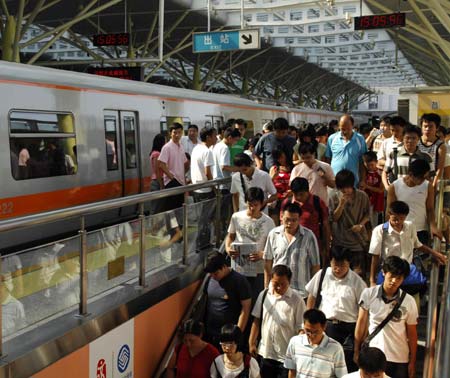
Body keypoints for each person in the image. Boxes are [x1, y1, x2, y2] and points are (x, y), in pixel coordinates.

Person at [354, 256, 418, 378]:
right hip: (373, 356)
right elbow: (361, 322)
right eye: (391, 276)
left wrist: (412, 362)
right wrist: (356, 350)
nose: (394, 280)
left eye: (399, 278)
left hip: (398, 358)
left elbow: (412, 334)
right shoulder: (368, 294)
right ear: (384, 273)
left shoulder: (409, 301)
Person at [306, 246, 367, 372]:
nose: (338, 269)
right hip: (327, 326)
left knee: (346, 365)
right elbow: (312, 296)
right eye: (335, 265)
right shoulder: (323, 274)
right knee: (325, 365)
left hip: (349, 329)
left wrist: (358, 343)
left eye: (342, 265)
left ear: (349, 264)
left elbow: (363, 311)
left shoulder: (357, 282)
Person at [369, 200, 447, 287]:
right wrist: (372, 280)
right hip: (389, 270)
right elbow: (375, 256)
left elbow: (418, 244)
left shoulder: (410, 227)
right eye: (395, 219)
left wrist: (436, 254)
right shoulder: (379, 231)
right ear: (389, 214)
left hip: (407, 269)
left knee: (421, 285)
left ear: (406, 217)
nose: (398, 222)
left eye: (401, 219)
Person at [249, 265, 305, 378]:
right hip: (266, 353)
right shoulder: (264, 295)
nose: (279, 287)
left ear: (289, 281)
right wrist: (251, 342)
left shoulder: (297, 300)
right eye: (275, 284)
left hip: (286, 356)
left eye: (282, 284)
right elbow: (257, 320)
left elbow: (301, 329)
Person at [226, 187, 275, 302]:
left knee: (255, 300)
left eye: (256, 205)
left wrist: (262, 254)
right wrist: (228, 248)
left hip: (258, 269)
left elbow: (272, 247)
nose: (252, 208)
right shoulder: (236, 217)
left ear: (262, 204)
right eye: (249, 204)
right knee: (237, 300)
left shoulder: (269, 222)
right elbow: (230, 236)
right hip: (239, 268)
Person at [264, 202, 320, 297]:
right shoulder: (273, 234)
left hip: (300, 293)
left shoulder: (309, 236)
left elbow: (315, 266)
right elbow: (268, 262)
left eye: (294, 220)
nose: (290, 223)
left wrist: (313, 293)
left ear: (299, 219)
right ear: (281, 216)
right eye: (287, 220)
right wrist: (266, 288)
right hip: (276, 291)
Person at [203, 253, 252, 349]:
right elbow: (205, 301)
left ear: (224, 267)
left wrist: (237, 334)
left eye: (216, 273)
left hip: (229, 336)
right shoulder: (210, 280)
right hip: (211, 333)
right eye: (211, 274)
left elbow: (245, 309)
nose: (213, 276)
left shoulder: (239, 281)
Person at [386, 159, 440, 246]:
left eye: (425, 178)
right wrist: (389, 230)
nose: (423, 181)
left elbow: (430, 209)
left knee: (421, 258)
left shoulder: (428, 186)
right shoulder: (394, 186)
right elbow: (389, 211)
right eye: (421, 178)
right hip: (401, 230)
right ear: (411, 174)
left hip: (421, 231)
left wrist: (433, 226)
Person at [329, 169, 371, 277]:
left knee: (358, 273)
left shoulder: (362, 196)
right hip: (340, 242)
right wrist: (341, 204)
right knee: (340, 274)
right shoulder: (334, 197)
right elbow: (334, 218)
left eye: (347, 187)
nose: (345, 190)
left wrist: (361, 225)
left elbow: (368, 215)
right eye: (342, 188)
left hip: (357, 242)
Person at [280, 177, 331, 266]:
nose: (299, 197)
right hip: (291, 248)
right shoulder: (286, 203)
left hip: (313, 248)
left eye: (302, 194)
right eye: (296, 194)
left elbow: (325, 226)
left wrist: (326, 248)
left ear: (308, 191)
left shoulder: (317, 202)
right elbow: (281, 225)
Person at [284, 308, 348, 378]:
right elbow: (292, 371)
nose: (311, 335)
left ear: (324, 327)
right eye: (307, 331)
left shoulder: (336, 348)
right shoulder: (295, 342)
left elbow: (342, 376)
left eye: (315, 332)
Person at [190, 127, 217, 249]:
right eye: (214, 136)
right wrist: (214, 187)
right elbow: (208, 173)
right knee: (205, 219)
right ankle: (203, 244)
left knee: (201, 218)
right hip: (206, 190)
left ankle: (201, 243)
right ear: (208, 137)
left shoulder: (196, 148)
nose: (216, 138)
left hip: (196, 189)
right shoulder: (207, 151)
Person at [382, 125, 431, 190]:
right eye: (407, 138)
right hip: (397, 192)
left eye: (414, 138)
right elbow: (385, 172)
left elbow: (430, 177)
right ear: (403, 138)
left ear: (419, 139)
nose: (410, 141)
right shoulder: (394, 153)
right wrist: (387, 187)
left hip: (418, 193)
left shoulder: (425, 156)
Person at [325, 114, 367, 186]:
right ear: (339, 127)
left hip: (353, 183)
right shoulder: (332, 138)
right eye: (342, 129)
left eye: (348, 129)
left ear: (353, 126)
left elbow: (362, 162)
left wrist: (362, 180)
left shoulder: (360, 139)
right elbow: (328, 160)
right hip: (335, 182)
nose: (345, 131)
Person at [158, 123, 188, 211]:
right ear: (170, 133)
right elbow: (161, 164)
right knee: (171, 209)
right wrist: (172, 177)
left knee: (179, 208)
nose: (177, 135)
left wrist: (184, 179)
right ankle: (172, 225)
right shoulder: (167, 147)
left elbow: (184, 163)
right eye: (175, 132)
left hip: (181, 182)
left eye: (179, 132)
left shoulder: (181, 147)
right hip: (172, 182)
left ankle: (179, 225)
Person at [418, 113, 446, 189]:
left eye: (431, 126)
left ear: (437, 128)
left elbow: (439, 169)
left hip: (431, 182)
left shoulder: (441, 146)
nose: (427, 129)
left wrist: (433, 186)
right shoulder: (416, 141)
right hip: (415, 181)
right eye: (425, 126)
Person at [361, 151, 384, 228]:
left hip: (376, 201)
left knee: (374, 221)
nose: (370, 167)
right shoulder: (363, 172)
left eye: (372, 165)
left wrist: (367, 187)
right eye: (367, 165)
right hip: (365, 200)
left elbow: (381, 190)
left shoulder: (380, 172)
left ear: (376, 162)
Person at [269, 148, 292, 225]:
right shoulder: (274, 168)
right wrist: (273, 177)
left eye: (282, 157)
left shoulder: (293, 168)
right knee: (274, 222)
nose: (280, 160)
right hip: (275, 199)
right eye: (278, 158)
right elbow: (268, 184)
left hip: (288, 199)